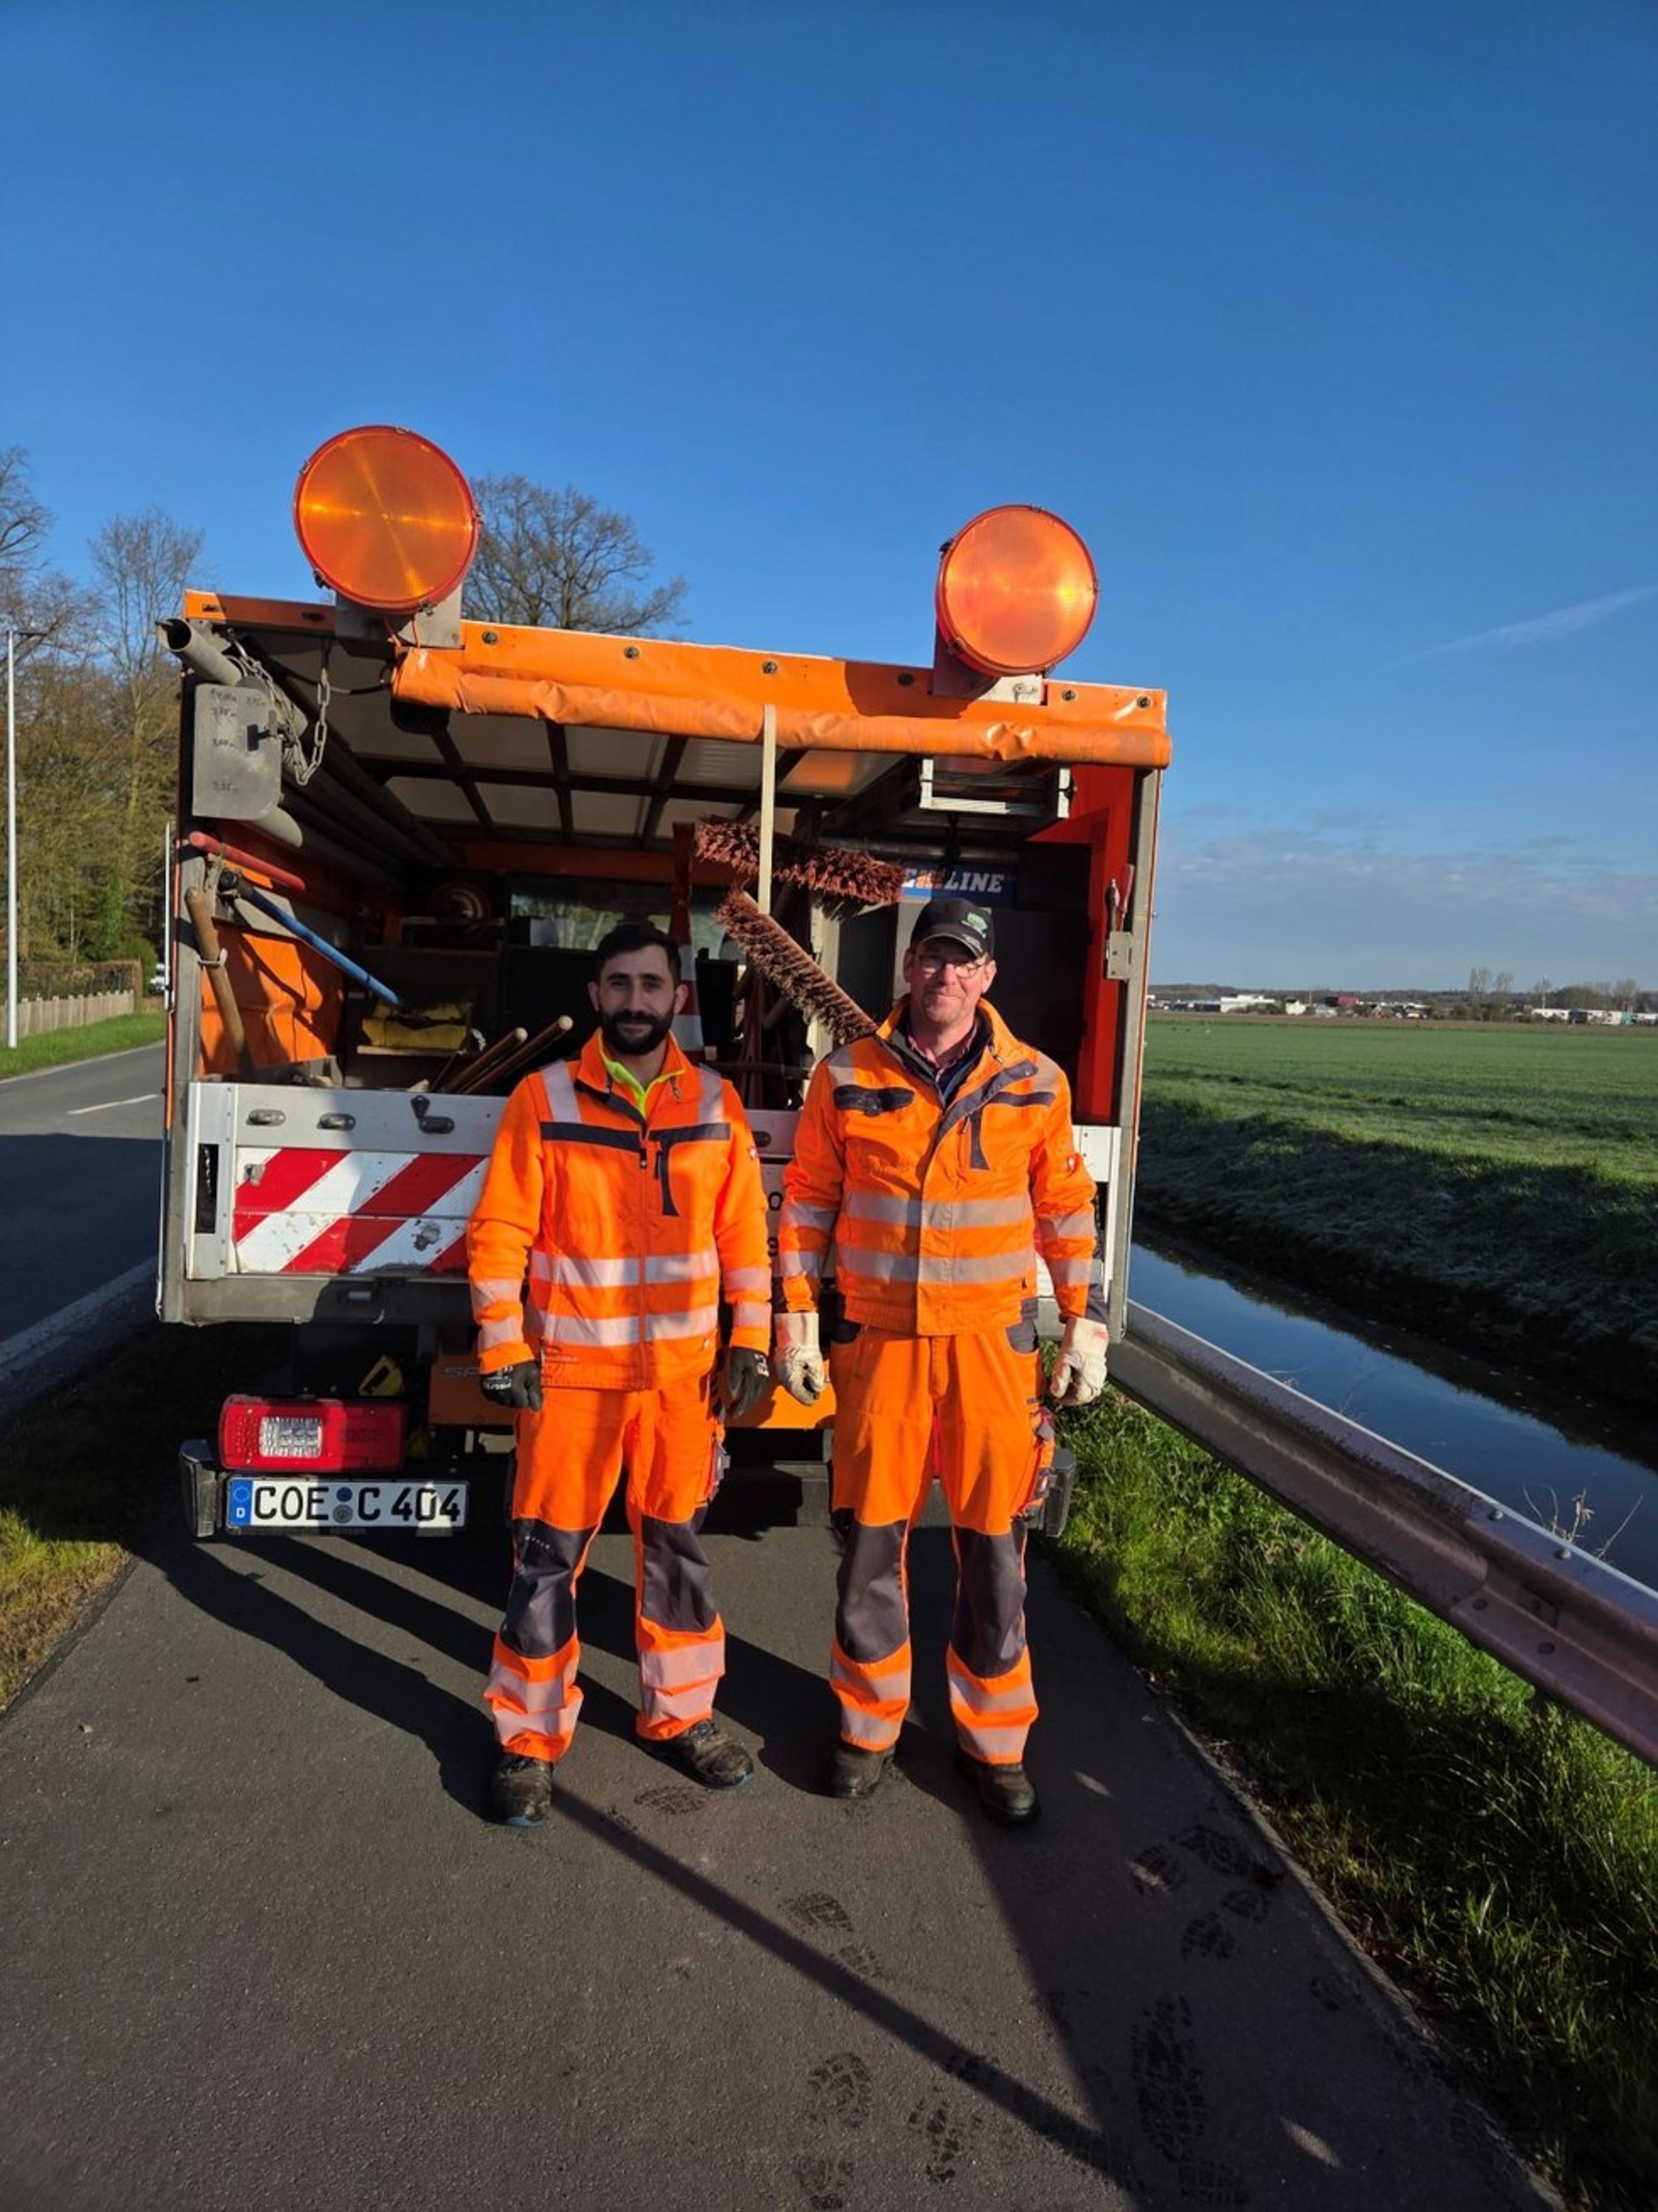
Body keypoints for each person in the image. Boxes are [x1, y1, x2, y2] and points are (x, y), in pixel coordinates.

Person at [774, 895, 1109, 1826]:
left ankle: (994, 1745)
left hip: (991, 1352)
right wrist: (795, 1319)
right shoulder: (847, 1075)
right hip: (879, 1348)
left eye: (964, 961)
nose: (946, 975)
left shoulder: (1036, 1082)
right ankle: (866, 1730)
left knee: (995, 1553)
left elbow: (1065, 1211)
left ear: (988, 976)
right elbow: (808, 1202)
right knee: (869, 1550)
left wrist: (1084, 1320)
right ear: (909, 965)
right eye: (933, 956)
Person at [467, 920, 773, 1827]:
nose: (636, 1001)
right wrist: (502, 1346)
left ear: (678, 997)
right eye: (620, 985)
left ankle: (683, 1715)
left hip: (681, 1382)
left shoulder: (715, 1104)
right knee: (546, 1561)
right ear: (595, 995)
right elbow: (500, 1231)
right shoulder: (543, 1097)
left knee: (676, 1555)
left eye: (652, 985)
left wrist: (752, 1340)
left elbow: (743, 1236)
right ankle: (528, 1739)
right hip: (570, 1378)